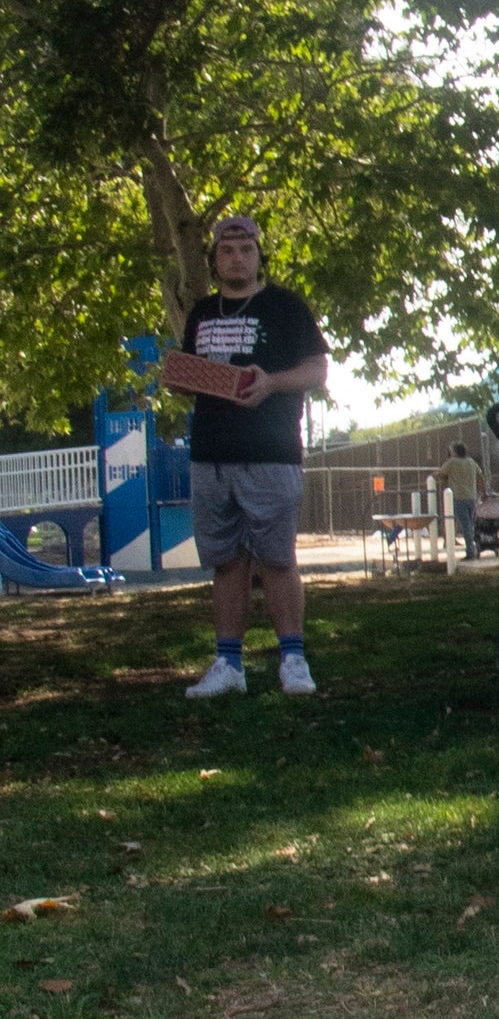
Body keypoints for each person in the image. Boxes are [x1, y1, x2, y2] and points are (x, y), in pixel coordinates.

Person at [174, 214, 329, 698]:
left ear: (260, 255)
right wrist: (182, 378)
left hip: (271, 452)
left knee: (278, 559)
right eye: (226, 250)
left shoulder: (285, 306)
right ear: (214, 258)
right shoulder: (200, 312)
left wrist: (270, 384)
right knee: (225, 562)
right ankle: (228, 665)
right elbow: (187, 380)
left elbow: (318, 371)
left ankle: (293, 659)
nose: (236, 257)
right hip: (211, 455)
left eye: (245, 249)